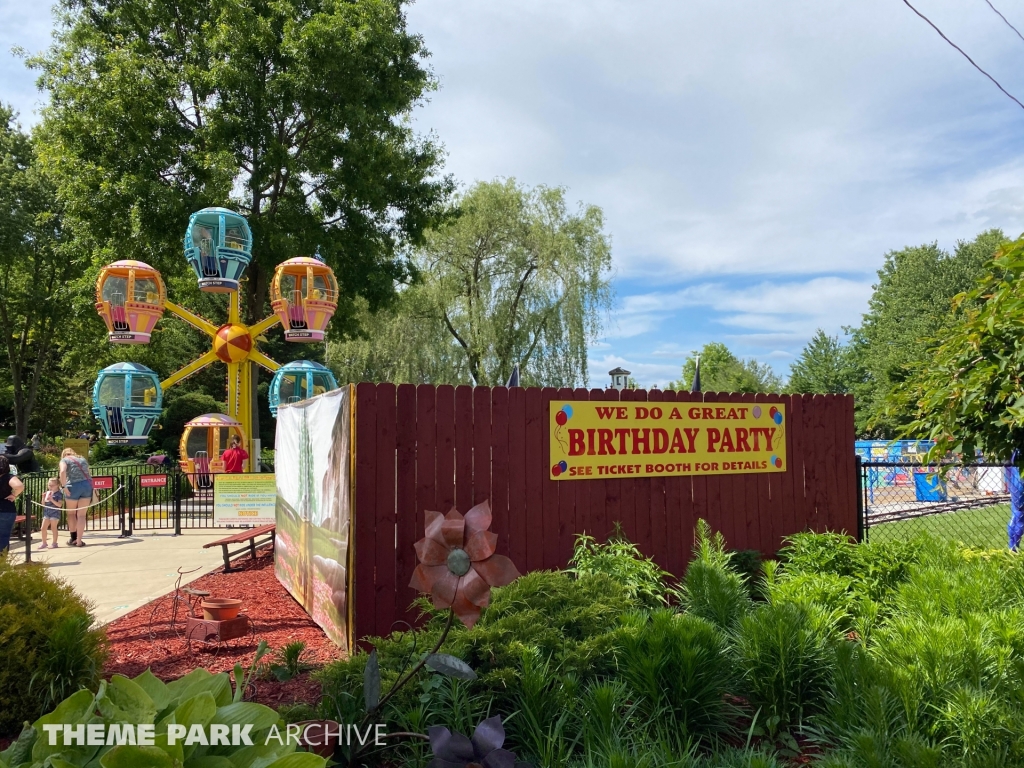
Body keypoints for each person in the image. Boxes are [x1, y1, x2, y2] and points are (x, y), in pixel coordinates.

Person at [59, 447, 93, 547]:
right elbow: (88, 473)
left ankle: (73, 538)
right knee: (81, 515)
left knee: (71, 513)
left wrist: (64, 486)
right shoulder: (82, 459)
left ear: (64, 454)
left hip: (73, 486)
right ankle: (79, 541)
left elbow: (62, 471)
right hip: (87, 485)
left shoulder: (65, 460)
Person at [0, 455, 24, 554]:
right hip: (6, 509)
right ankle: (2, 560)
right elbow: (19, 486)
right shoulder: (8, 477)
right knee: (4, 536)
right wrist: (14, 495)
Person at [40, 476, 63, 549]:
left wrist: (52, 500)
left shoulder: (59, 494)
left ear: (57, 485)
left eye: (52, 485)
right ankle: (44, 543)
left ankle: (54, 543)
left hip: (55, 513)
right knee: (43, 528)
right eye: (49, 485)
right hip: (47, 512)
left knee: (53, 528)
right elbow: (43, 504)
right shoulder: (48, 493)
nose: (50, 487)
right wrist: (43, 497)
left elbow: (59, 505)